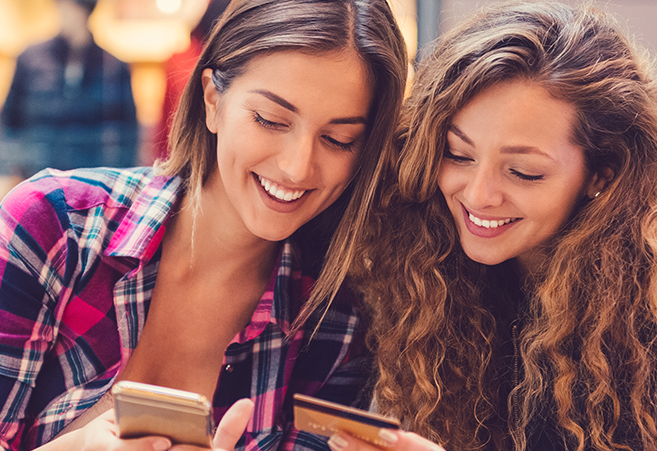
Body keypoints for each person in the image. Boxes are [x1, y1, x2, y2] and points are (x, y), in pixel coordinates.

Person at [335, 2, 657, 451]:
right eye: (459, 154)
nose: (477, 194)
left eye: (524, 172)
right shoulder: (431, 265)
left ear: (601, 174)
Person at [0, 0, 407, 449]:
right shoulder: (53, 226)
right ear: (213, 100)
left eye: (338, 139)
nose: (297, 167)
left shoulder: (336, 327)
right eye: (270, 120)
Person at [0, 0, 139, 177]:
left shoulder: (113, 67)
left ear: (86, 11)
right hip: (38, 176)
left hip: (92, 180)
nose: (65, 13)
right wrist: (10, 169)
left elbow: (128, 131)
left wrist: (121, 177)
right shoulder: (30, 59)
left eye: (71, 7)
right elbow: (10, 120)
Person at [149, 0, 231, 164]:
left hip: (182, 157)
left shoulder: (181, 60)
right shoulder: (184, 63)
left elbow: (164, 128)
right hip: (192, 158)